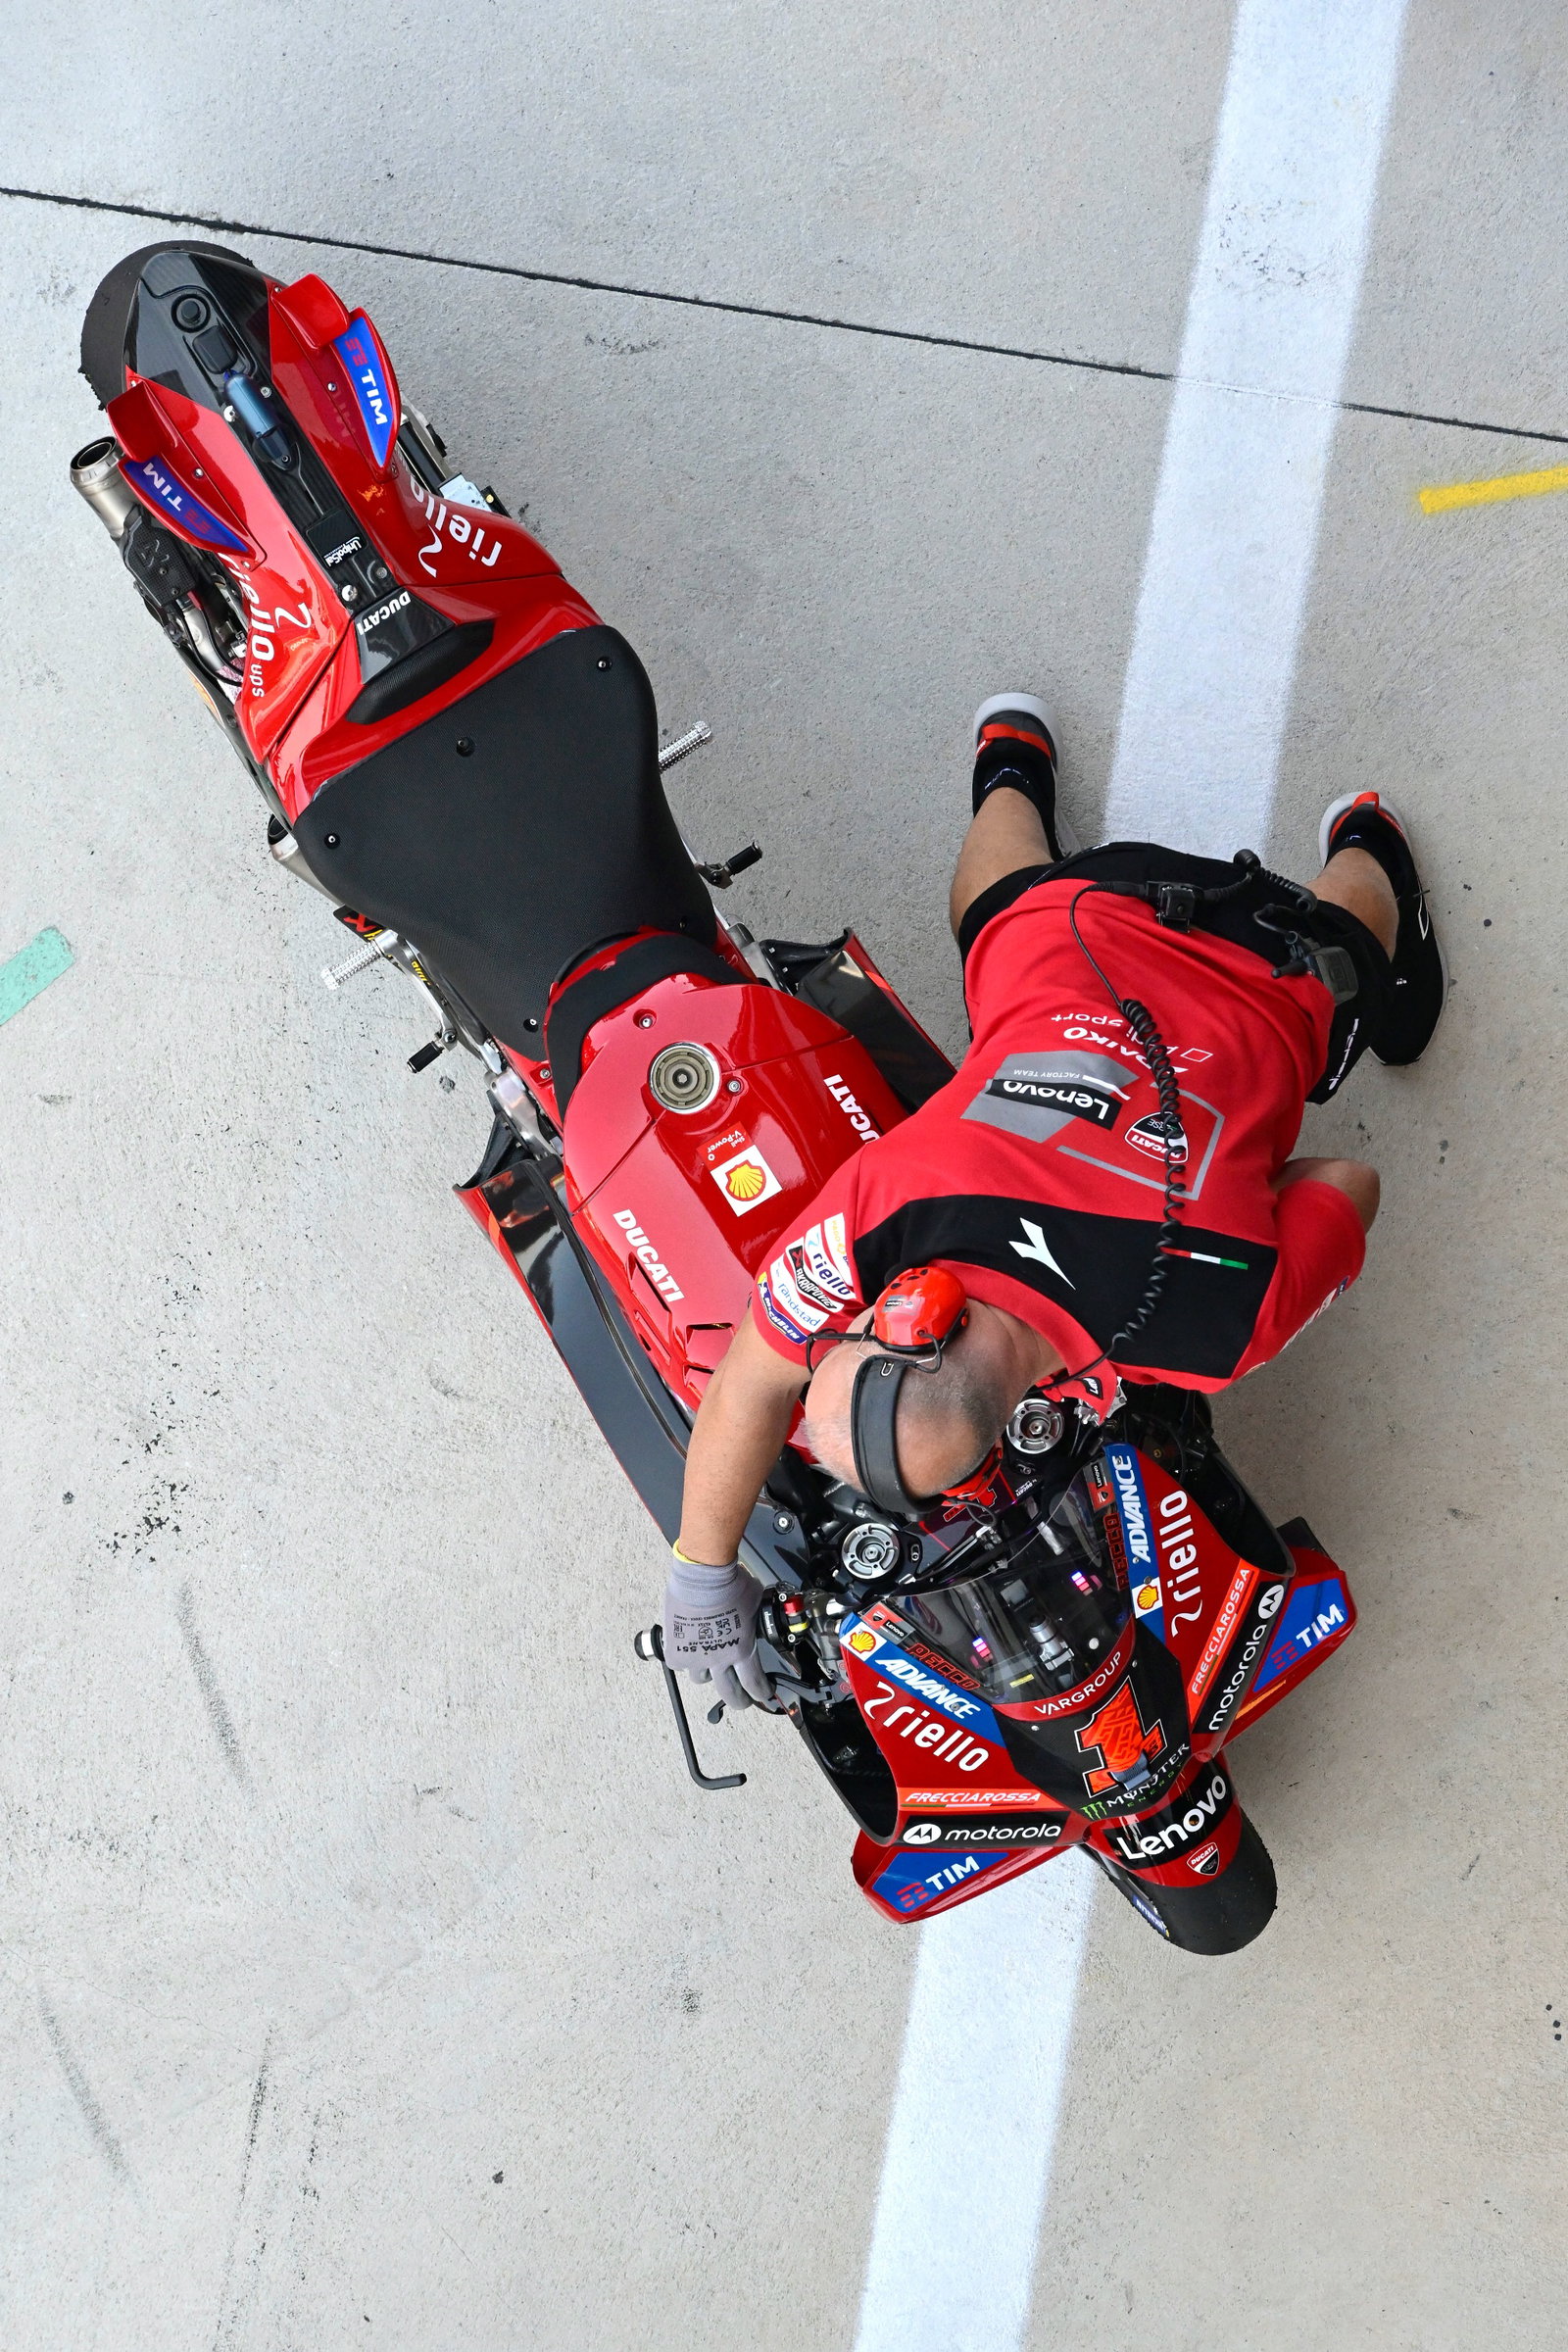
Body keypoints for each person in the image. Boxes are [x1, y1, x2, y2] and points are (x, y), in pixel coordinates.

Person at [662, 693, 1446, 1706]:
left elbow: (1348, 1183)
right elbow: (750, 1381)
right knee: (991, 918)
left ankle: (1369, 839)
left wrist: (702, 1579)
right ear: (910, 1320)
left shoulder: (1211, 1328)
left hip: (1268, 956)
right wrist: (697, 1563)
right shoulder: (887, 1213)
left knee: (1349, 982)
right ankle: (1008, 759)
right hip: (1070, 915)